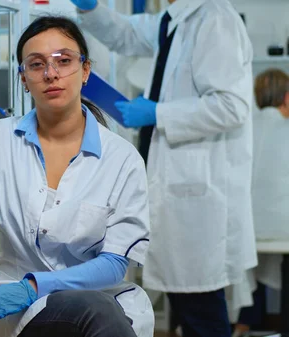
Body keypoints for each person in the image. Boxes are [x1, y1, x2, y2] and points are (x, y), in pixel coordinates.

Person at [0, 15, 154, 337]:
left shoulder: (121, 159)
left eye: (63, 61)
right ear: (23, 78)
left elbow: (114, 263)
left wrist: (36, 286)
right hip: (16, 305)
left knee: (96, 310)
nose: (51, 74)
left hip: (101, 302)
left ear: (86, 70)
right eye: (36, 65)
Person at [70, 0, 257, 336]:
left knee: (201, 310)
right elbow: (124, 34)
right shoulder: (173, 20)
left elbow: (232, 106)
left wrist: (158, 113)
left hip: (199, 196)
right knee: (189, 308)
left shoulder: (215, 19)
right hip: (177, 190)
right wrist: (91, 7)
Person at [232, 69, 289, 337]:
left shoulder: (244, 128)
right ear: (287, 98)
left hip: (247, 228)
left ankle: (244, 325)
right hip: (282, 230)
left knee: (254, 263)